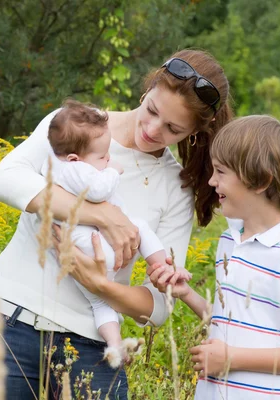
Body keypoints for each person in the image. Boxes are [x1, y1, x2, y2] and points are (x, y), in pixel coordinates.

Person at [0, 49, 233, 399]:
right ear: (148, 88)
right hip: (8, 323)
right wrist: (103, 215)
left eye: (173, 129)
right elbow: (4, 180)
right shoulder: (76, 126)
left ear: (195, 132)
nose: (152, 129)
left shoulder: (175, 187)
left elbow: (159, 306)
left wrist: (98, 284)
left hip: (94, 348)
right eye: (152, 110)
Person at [148, 115, 280, 399]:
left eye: (221, 172)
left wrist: (233, 359)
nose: (211, 181)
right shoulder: (229, 242)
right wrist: (186, 294)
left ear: (260, 181)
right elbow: (232, 321)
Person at [43, 99, 191, 362]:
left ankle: (114, 342)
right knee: (141, 228)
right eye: (102, 156)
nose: (108, 158)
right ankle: (165, 267)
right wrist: (113, 171)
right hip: (96, 249)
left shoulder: (54, 163)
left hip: (82, 256)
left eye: (173, 127)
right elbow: (99, 190)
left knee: (100, 303)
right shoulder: (76, 169)